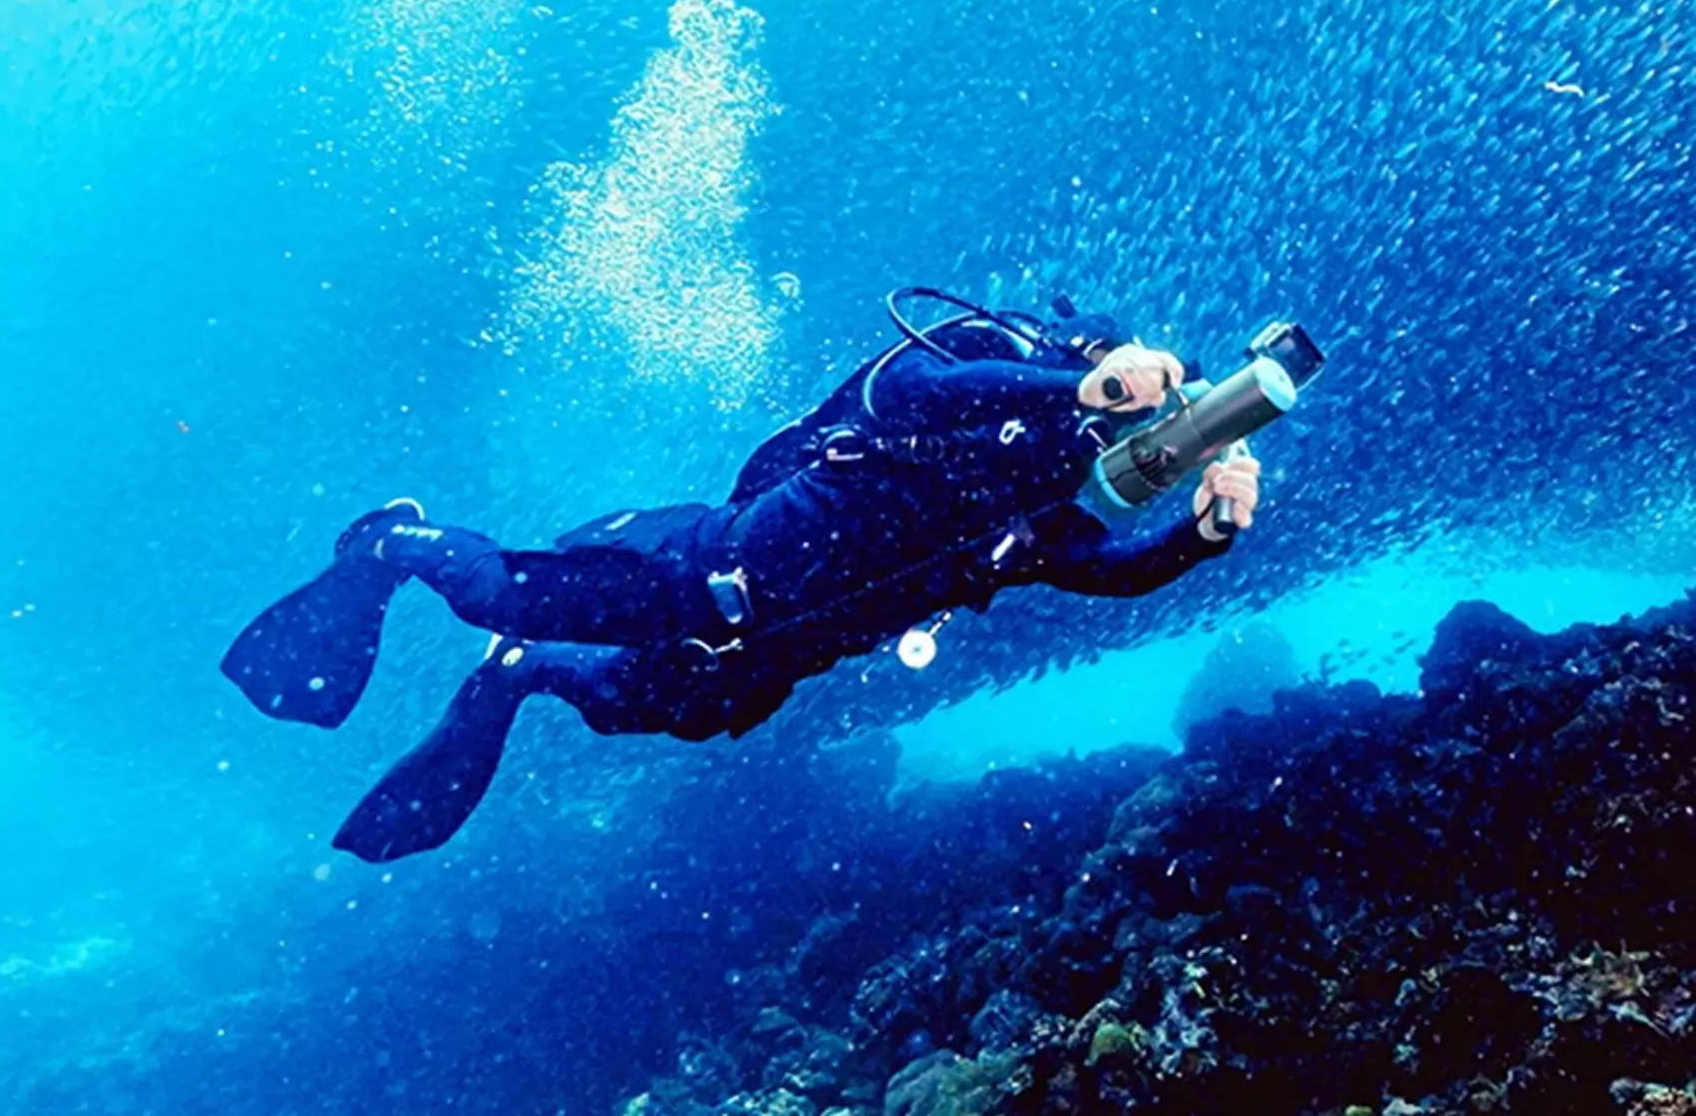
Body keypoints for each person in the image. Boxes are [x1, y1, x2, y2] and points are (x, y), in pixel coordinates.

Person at [222, 297, 1263, 863]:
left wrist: (1203, 536)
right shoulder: (955, 373)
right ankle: (395, 539)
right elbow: (917, 389)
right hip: (687, 571)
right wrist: (1067, 378)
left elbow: (1118, 577)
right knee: (491, 587)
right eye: (1098, 397)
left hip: (757, 665)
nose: (1090, 426)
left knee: (617, 710)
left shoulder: (1032, 518)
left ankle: (516, 673)